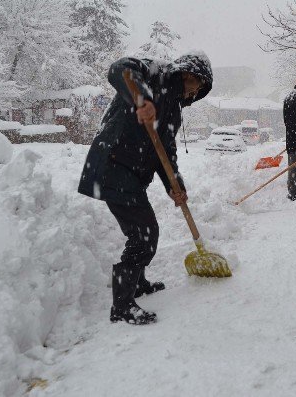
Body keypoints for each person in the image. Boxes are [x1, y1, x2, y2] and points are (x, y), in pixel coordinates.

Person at [78, 52, 213, 325]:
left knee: (141, 232)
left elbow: (166, 153)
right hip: (112, 165)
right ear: (189, 74)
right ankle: (122, 304)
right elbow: (120, 68)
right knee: (144, 236)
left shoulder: (173, 110)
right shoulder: (155, 73)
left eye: (200, 90)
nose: (196, 91)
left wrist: (176, 186)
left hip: (129, 175)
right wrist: (142, 99)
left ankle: (137, 283)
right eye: (197, 84)